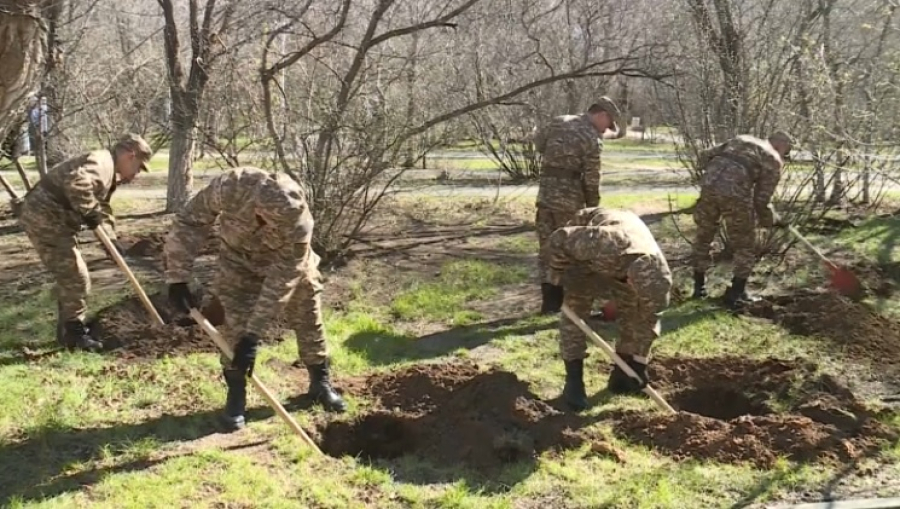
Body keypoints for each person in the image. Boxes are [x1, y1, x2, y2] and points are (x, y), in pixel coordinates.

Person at [164, 167, 347, 431]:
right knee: (233, 325)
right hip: (237, 260)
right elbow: (190, 221)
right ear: (257, 209)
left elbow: (281, 281)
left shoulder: (298, 225)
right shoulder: (230, 187)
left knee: (307, 312)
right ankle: (236, 395)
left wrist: (254, 335)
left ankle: (320, 381)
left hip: (288, 264)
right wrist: (177, 276)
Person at [17, 133, 152, 351]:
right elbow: (77, 182)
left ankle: (69, 329)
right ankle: (74, 335)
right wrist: (90, 212)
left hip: (55, 221)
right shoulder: (102, 162)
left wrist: (112, 241)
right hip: (45, 218)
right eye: (138, 167)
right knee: (76, 276)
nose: (136, 174)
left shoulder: (107, 171)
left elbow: (102, 211)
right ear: (130, 155)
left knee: (73, 275)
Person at [544, 207, 672, 411]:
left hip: (621, 264)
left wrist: (639, 362)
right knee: (576, 313)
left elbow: (648, 319)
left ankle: (621, 377)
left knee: (632, 314)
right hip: (582, 256)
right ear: (630, 279)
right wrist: (553, 281)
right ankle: (574, 383)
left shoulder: (659, 279)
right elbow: (559, 240)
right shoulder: (605, 242)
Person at [533, 97, 627, 315]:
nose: (606, 129)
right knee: (569, 248)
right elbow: (592, 178)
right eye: (608, 123)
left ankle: (549, 302)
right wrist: (593, 207)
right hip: (570, 200)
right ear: (601, 115)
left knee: (546, 246)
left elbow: (539, 144)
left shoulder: (558, 121)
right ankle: (567, 304)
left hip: (546, 194)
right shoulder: (591, 138)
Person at [690, 131, 794, 307]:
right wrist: (772, 221)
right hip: (735, 194)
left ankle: (698, 289)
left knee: (703, 236)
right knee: (745, 244)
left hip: (708, 186)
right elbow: (761, 202)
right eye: (786, 151)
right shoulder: (773, 159)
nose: (785, 155)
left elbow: (704, 155)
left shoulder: (741, 139)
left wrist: (709, 177)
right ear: (781, 146)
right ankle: (737, 293)